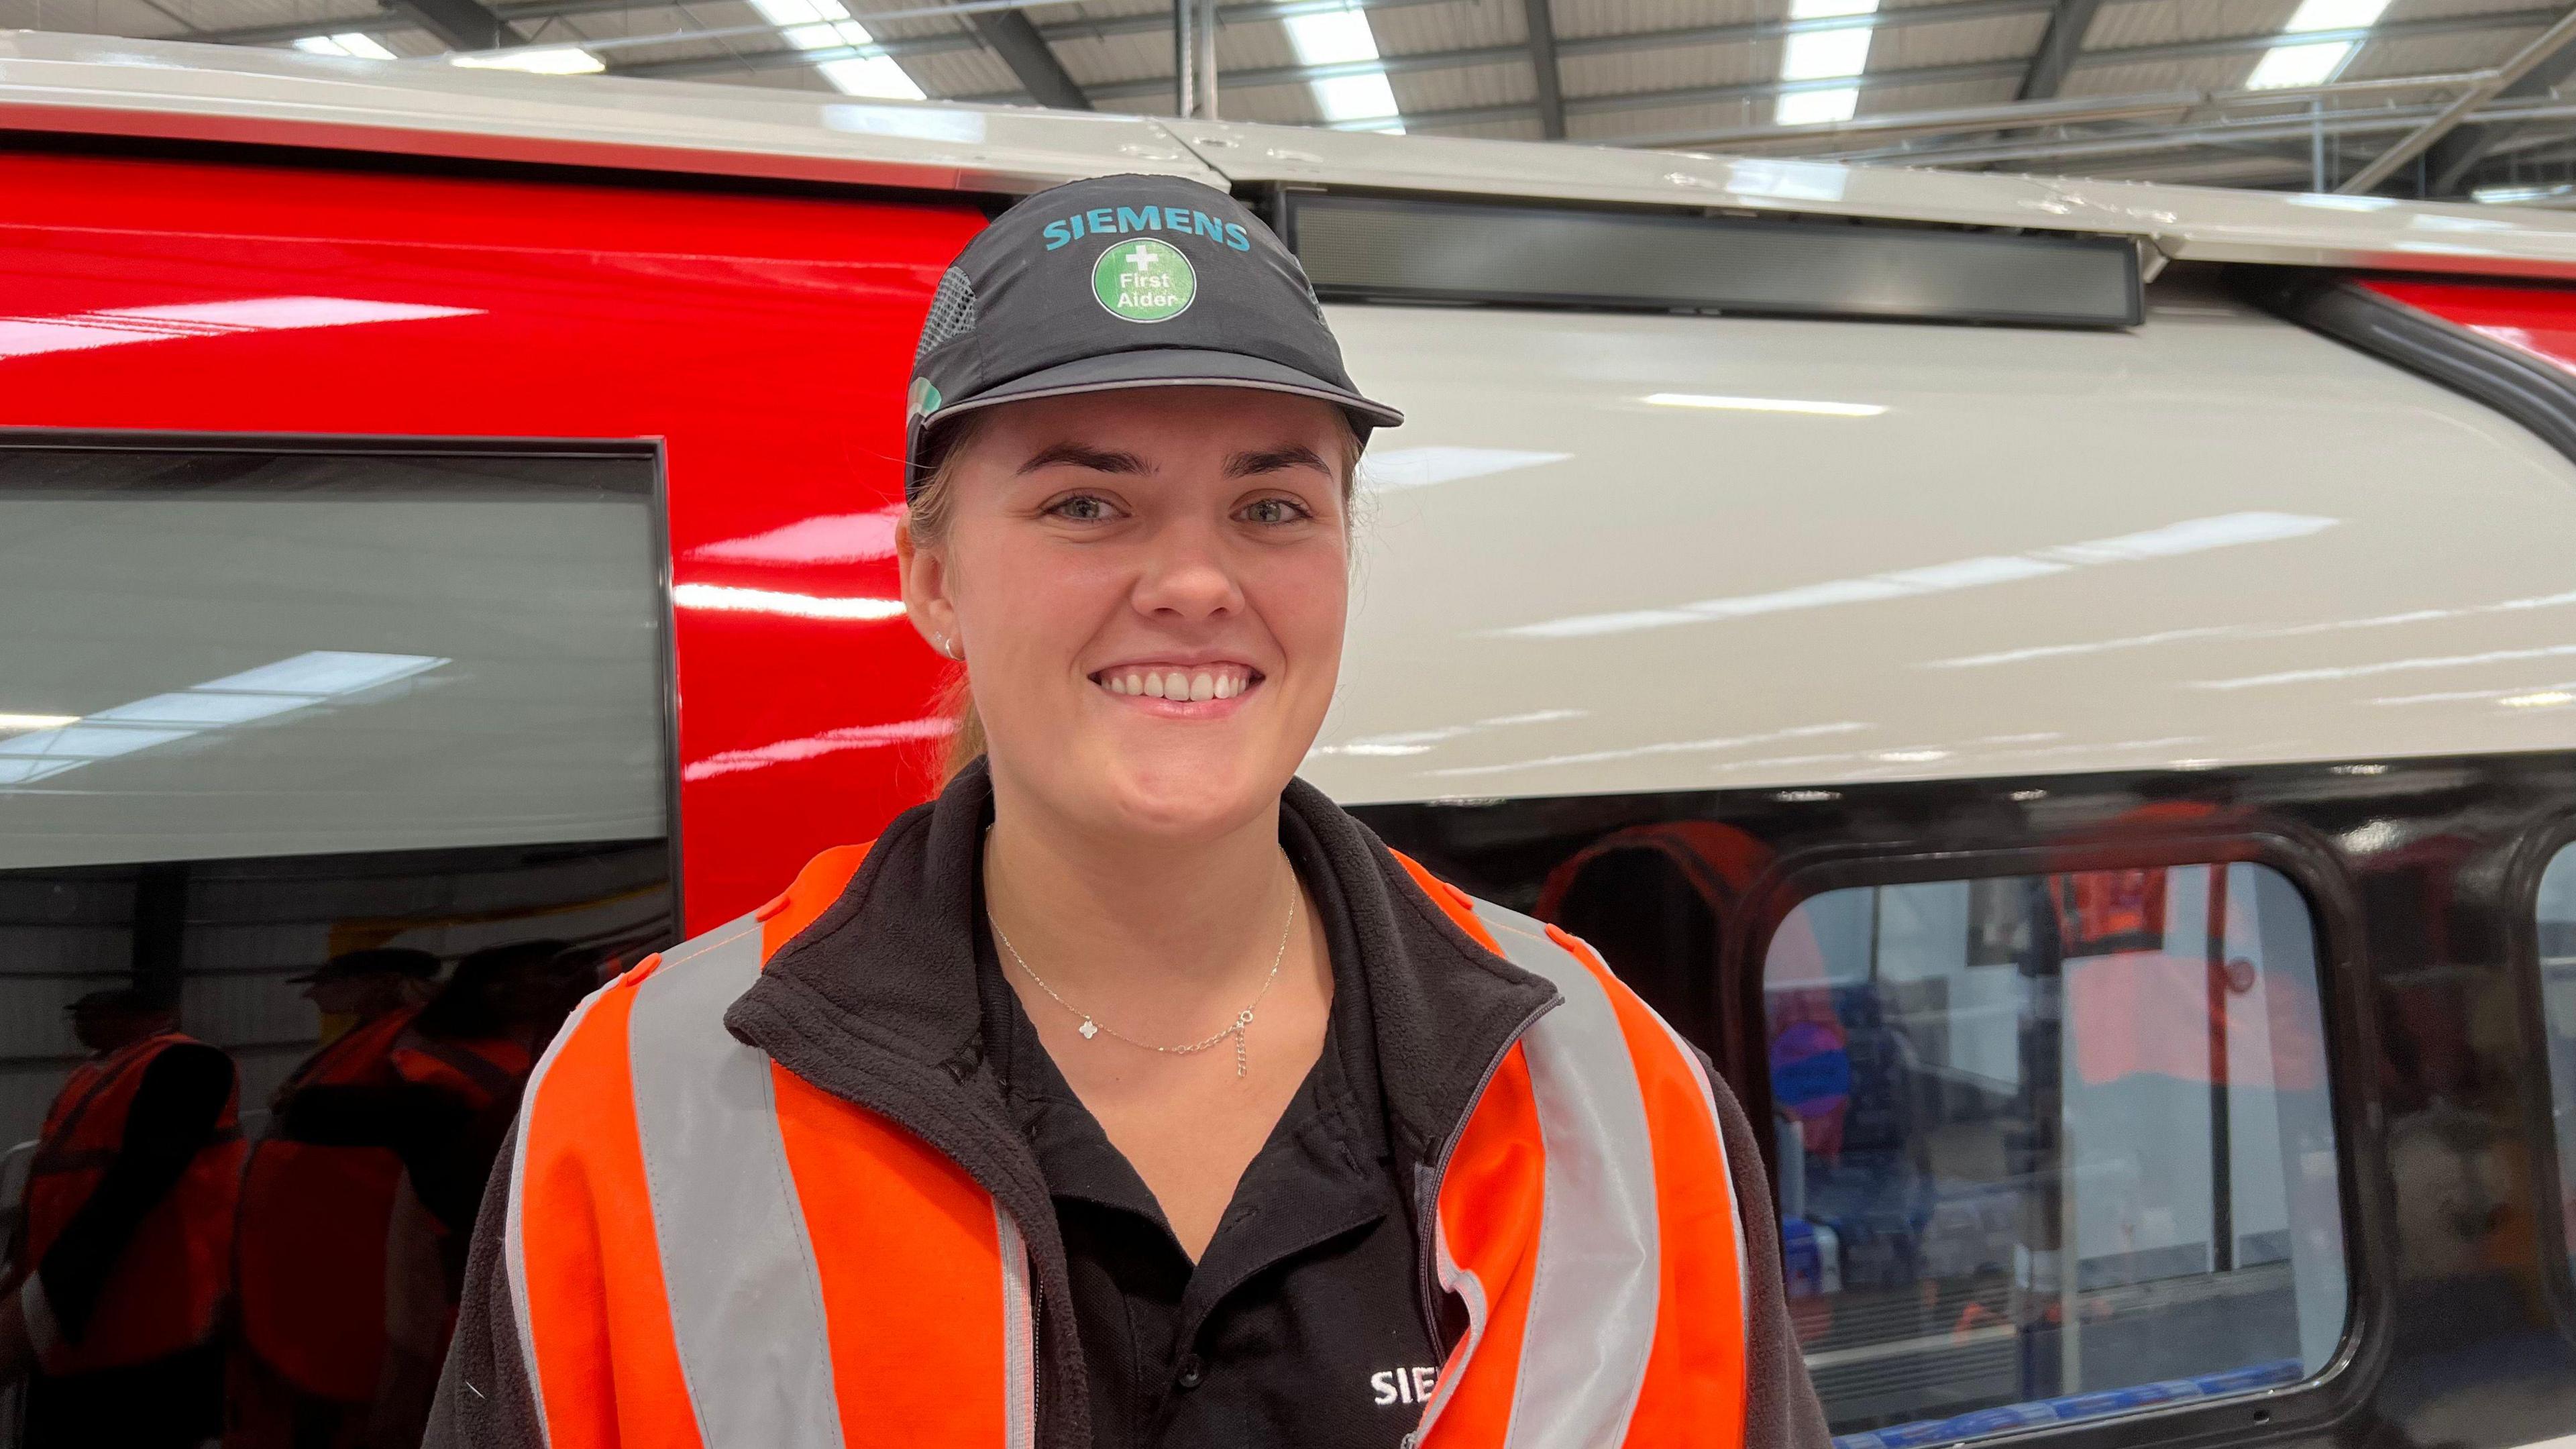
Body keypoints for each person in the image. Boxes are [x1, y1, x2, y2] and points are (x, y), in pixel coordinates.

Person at [426, 174, 1832, 1449]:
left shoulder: (1626, 1103)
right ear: (930, 577)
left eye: (1273, 508)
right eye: (1088, 505)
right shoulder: (636, 1108)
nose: (1195, 582)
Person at [0, 987, 241, 1448]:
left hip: (150, 1313)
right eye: (77, 1013)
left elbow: (132, 1189)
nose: (82, 1024)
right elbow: (54, 1184)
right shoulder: (94, 1076)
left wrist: (40, 1303)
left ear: (153, 1016)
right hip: (80, 1311)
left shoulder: (189, 1066)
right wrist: (22, 1275)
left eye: (96, 1014)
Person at [229, 946, 442, 1448]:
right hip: (315, 1279)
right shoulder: (370, 1036)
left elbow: (439, 1114)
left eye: (327, 982)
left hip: (355, 1276)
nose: (313, 994)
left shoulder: (418, 1034)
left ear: (380, 982)